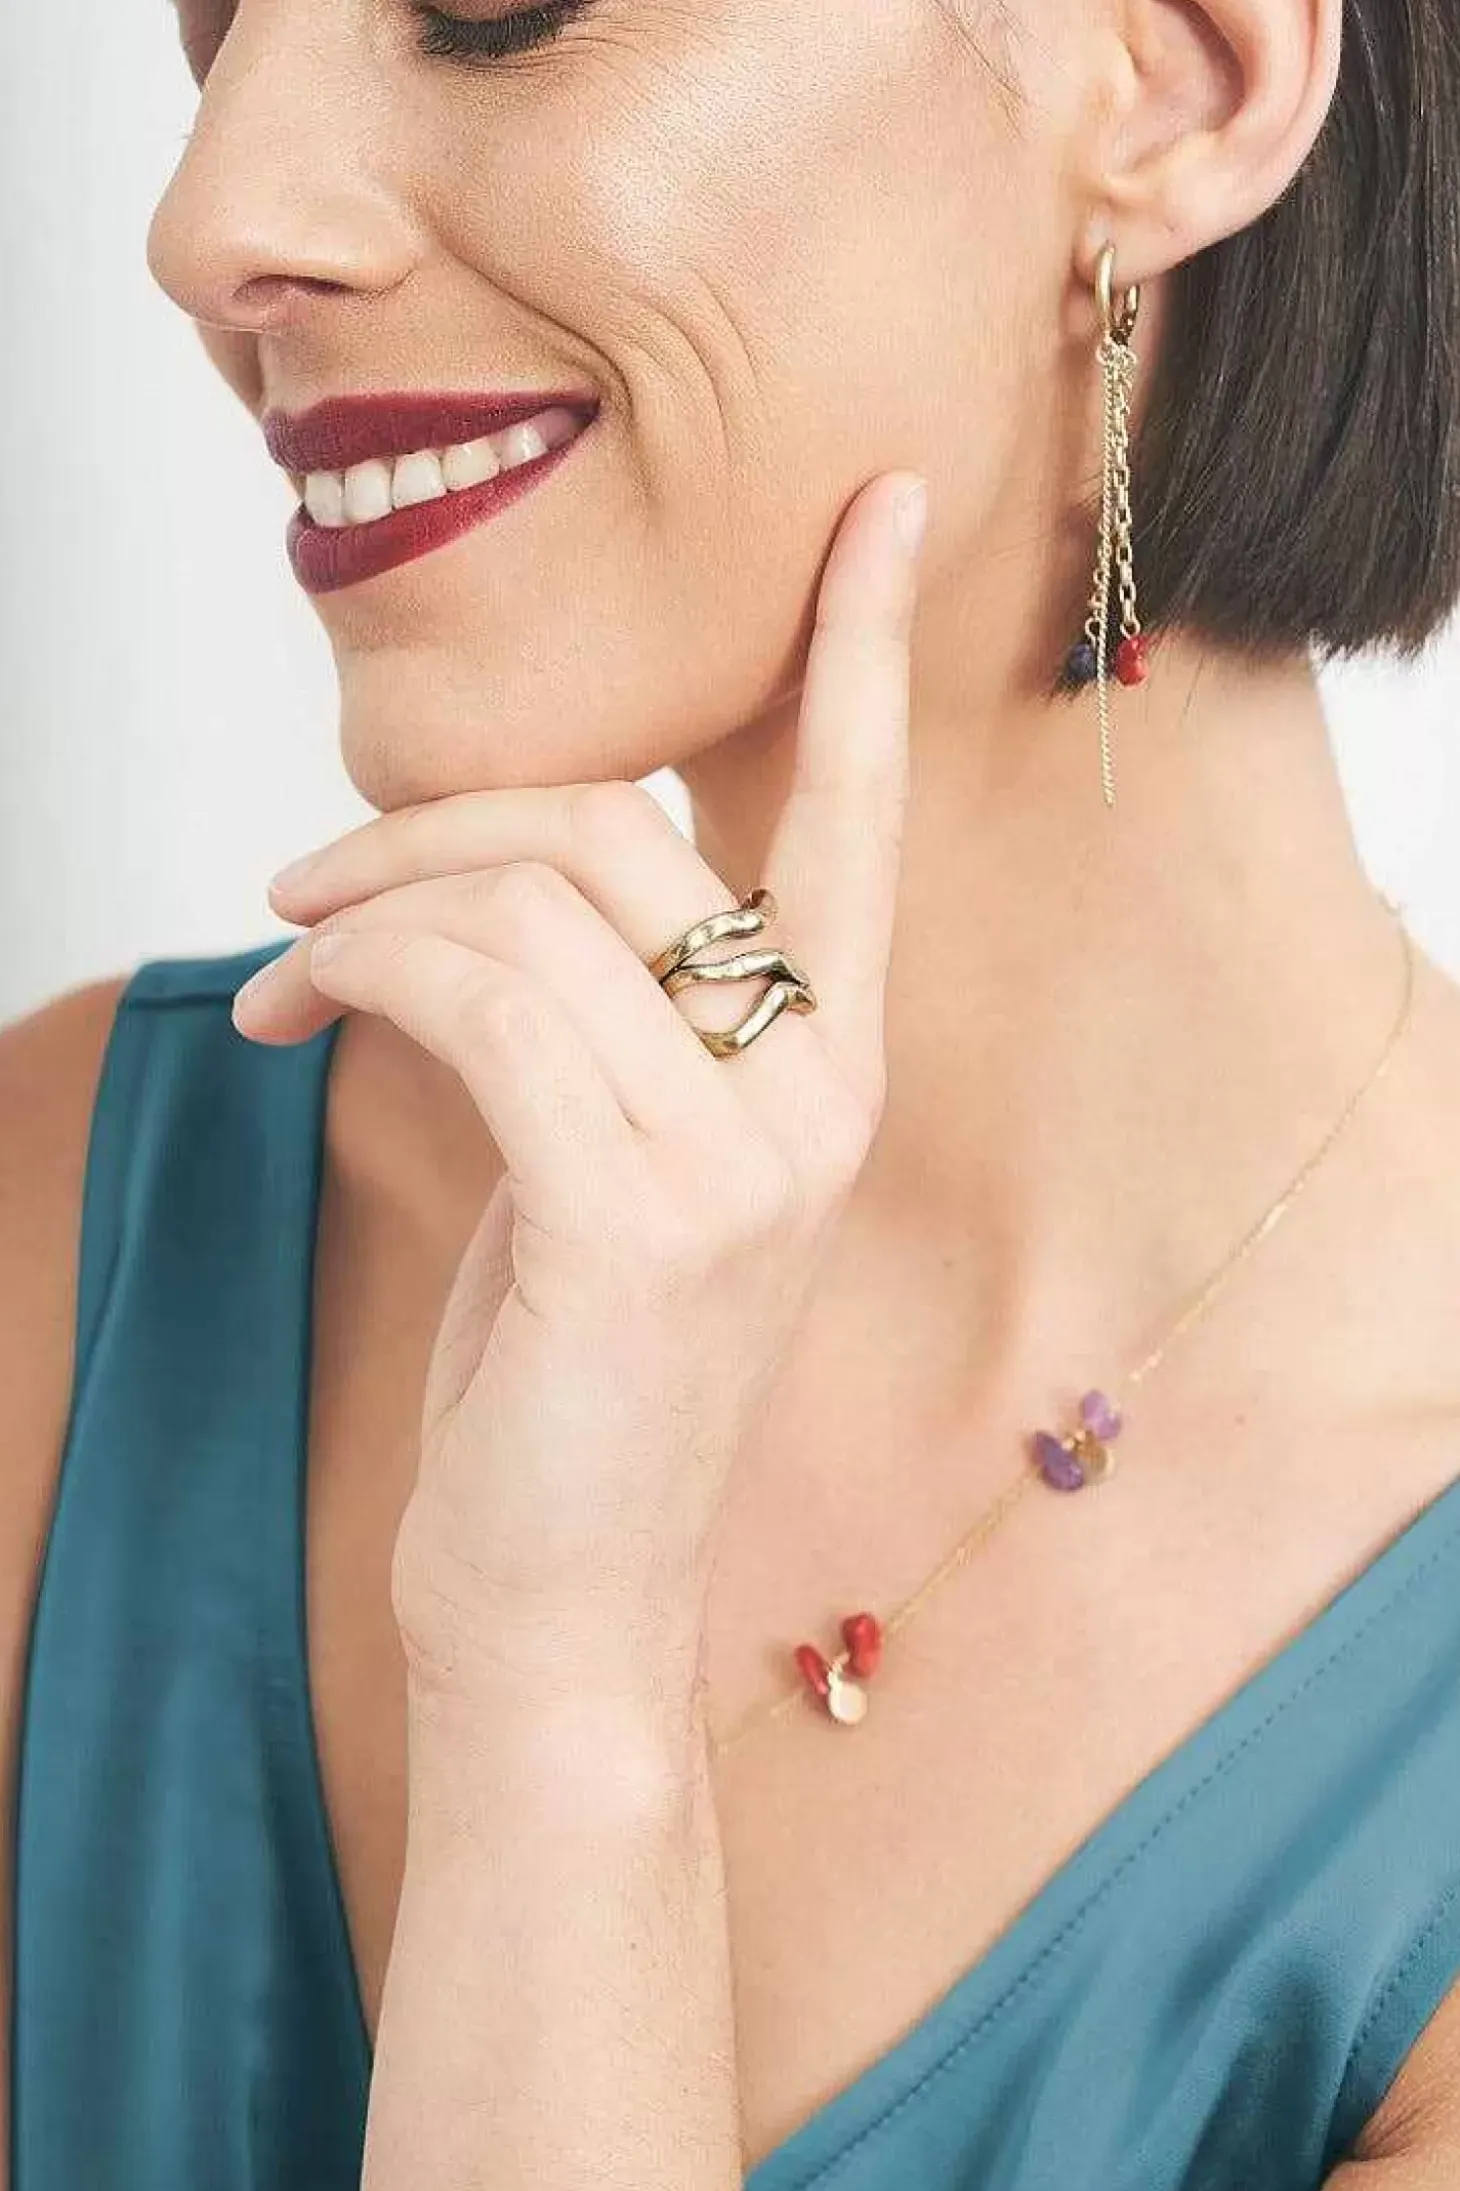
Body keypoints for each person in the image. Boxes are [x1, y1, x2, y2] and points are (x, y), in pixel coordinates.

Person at [4, 0, 1460, 2184]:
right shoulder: (71, 1234)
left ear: (1180, 76)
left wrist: (562, 1709)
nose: (210, 219)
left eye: (486, 9)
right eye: (219, 21)